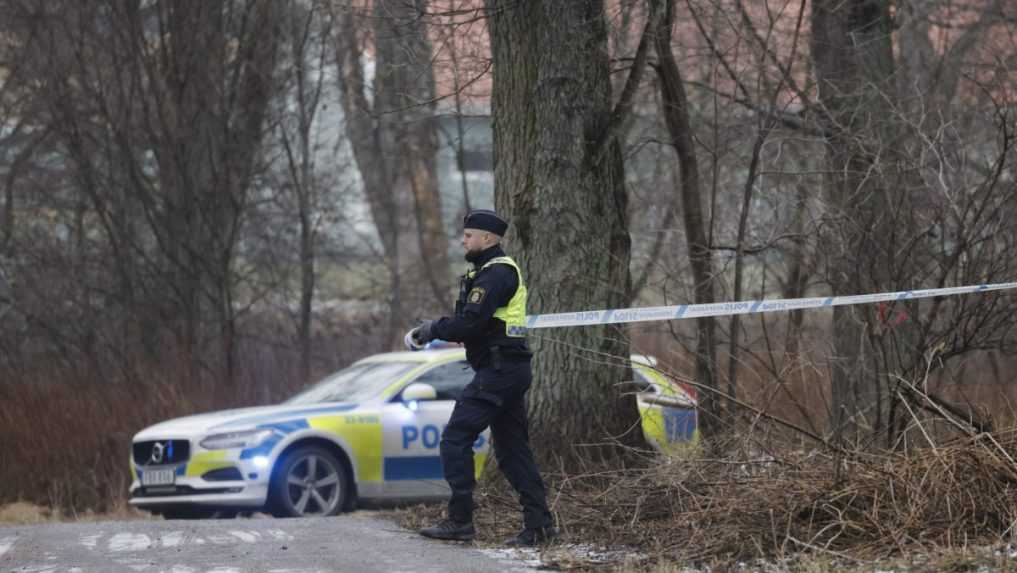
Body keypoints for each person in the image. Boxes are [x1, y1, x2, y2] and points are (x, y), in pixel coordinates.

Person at [407, 209, 558, 547]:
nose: (464, 240)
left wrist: (432, 329)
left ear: (488, 239)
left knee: (455, 438)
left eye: (470, 235)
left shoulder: (496, 274)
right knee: (512, 451)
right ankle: (540, 526)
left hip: (500, 370)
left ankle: (460, 521)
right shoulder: (486, 271)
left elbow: (470, 324)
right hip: (505, 368)